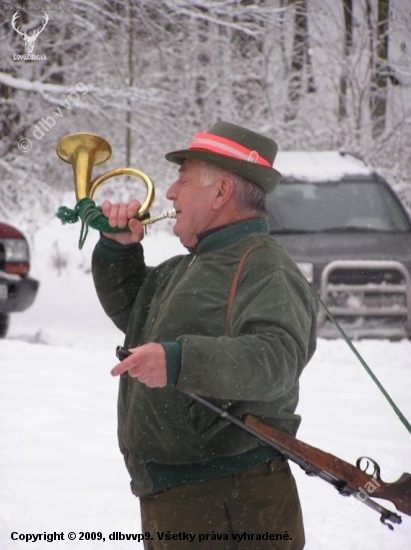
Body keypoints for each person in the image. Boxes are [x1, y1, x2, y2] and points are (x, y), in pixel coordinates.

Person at [91, 121, 317, 549]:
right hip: (183, 496)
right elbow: (138, 316)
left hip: (232, 503)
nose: (171, 192)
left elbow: (276, 360)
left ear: (220, 193)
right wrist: (118, 249)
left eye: (183, 179)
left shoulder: (264, 266)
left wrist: (178, 361)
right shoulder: (187, 266)